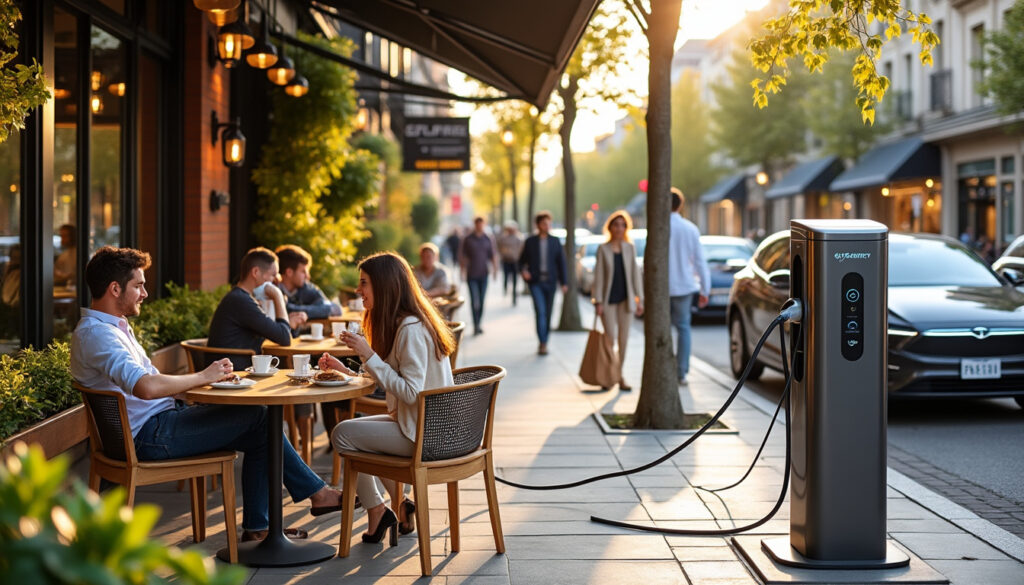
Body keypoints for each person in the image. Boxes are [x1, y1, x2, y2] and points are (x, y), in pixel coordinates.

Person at [70, 246, 345, 542]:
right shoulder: (98, 334)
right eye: (139, 285)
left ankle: (263, 526)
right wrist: (203, 376)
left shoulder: (114, 327)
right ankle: (313, 496)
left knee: (260, 426)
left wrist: (193, 388)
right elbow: (146, 387)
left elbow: (150, 381)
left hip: (159, 423)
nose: (145, 293)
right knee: (259, 418)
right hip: (150, 436)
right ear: (114, 288)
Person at [321, 252, 455, 545]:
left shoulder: (411, 330)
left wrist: (368, 354)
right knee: (356, 430)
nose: (358, 291)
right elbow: (390, 377)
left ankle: (380, 509)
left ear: (383, 286)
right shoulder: (409, 323)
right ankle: (397, 504)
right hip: (422, 425)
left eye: (364, 283)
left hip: (423, 435)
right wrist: (346, 368)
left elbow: (409, 391)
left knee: (344, 434)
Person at [207, 247, 308, 370]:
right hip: (234, 376)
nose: (275, 281)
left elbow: (278, 332)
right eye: (272, 275)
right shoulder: (241, 301)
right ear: (255, 272)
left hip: (241, 371)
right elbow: (285, 338)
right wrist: (278, 296)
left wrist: (287, 325)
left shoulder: (240, 298)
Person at [591, 211, 644, 391]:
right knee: (610, 339)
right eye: (616, 224)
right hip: (607, 301)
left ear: (626, 228)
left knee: (623, 341)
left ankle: (619, 376)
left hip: (626, 300)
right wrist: (597, 301)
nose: (619, 228)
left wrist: (640, 299)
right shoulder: (603, 249)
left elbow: (635, 275)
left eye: (623, 225)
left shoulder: (630, 248)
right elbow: (598, 276)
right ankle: (608, 375)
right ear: (610, 227)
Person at [668, 188, 709, 385]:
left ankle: (664, 369)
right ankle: (681, 372)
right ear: (680, 205)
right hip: (684, 286)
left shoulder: (658, 227)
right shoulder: (690, 229)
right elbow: (700, 261)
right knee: (683, 328)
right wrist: (705, 289)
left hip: (662, 287)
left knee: (662, 329)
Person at [518, 211, 567, 355]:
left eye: (549, 223)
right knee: (540, 312)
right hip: (536, 282)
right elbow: (521, 262)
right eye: (544, 223)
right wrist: (524, 271)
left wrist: (564, 282)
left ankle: (545, 340)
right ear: (538, 225)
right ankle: (543, 343)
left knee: (549, 313)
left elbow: (561, 263)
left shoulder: (555, 241)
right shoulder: (530, 241)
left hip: (551, 282)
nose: (547, 226)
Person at [274, 244, 342, 319]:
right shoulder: (273, 290)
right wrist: (315, 310)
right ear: (289, 272)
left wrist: (293, 309)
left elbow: (333, 308)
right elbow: (283, 310)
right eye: (303, 272)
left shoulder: (306, 288)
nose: (308, 276)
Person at [459, 216, 497, 335]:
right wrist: (462, 271)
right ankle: (475, 325)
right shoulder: (468, 239)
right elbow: (463, 256)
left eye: (481, 224)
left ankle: (479, 323)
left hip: (484, 274)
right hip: (472, 274)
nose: (479, 226)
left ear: (484, 225)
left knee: (481, 300)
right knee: (474, 300)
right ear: (475, 225)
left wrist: (495, 270)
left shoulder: (488, 238)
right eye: (477, 224)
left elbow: (492, 255)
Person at [496, 220, 524, 306]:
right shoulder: (503, 238)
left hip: (515, 261)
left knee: (515, 280)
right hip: (506, 260)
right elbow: (499, 247)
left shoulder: (519, 238)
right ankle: (505, 288)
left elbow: (521, 250)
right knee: (506, 276)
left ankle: (514, 297)